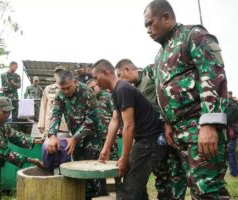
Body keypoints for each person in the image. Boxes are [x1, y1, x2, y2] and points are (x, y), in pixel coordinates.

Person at [144, 0, 229, 199]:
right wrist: (167, 123)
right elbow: (162, 93)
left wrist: (210, 124)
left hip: (199, 129)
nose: (147, 30)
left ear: (166, 17)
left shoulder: (194, 35)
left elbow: (214, 76)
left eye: (150, 23)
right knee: (175, 190)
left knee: (207, 191)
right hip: (176, 133)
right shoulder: (160, 55)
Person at [92, 59, 166, 200]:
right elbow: (115, 121)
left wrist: (124, 158)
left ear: (105, 72)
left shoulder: (123, 89)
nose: (95, 82)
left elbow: (129, 126)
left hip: (149, 141)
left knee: (128, 191)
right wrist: (106, 148)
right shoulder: (116, 91)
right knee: (136, 189)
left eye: (96, 78)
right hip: (144, 141)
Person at [115, 59, 187, 199]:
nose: (119, 79)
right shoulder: (132, 88)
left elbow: (166, 91)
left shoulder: (150, 72)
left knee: (175, 172)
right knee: (161, 173)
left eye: (119, 75)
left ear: (127, 70)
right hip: (154, 135)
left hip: (169, 128)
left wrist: (167, 121)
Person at [46, 70, 103, 200]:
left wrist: (75, 138)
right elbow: (56, 115)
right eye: (62, 88)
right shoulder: (60, 95)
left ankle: (91, 195)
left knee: (90, 172)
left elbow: (91, 120)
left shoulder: (87, 93)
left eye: (68, 88)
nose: (65, 91)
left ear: (75, 82)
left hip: (91, 137)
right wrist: (52, 135)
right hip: (75, 137)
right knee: (77, 169)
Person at [86, 79, 121, 197]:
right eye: (90, 88)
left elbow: (116, 115)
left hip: (109, 137)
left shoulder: (108, 96)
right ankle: (102, 188)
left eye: (95, 86)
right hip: (95, 138)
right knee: (99, 162)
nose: (94, 89)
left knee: (115, 161)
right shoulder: (88, 100)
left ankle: (119, 189)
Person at [227, 91, 238, 177]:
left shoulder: (227, 104)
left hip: (230, 131)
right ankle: (235, 170)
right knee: (232, 152)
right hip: (234, 131)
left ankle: (233, 172)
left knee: (230, 152)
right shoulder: (235, 103)